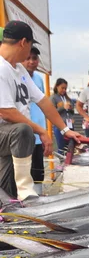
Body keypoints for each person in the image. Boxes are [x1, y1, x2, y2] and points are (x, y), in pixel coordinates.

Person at [0, 20, 81, 201]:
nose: (29, 52)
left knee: (5, 193)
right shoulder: (1, 68)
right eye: (30, 46)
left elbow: (43, 101)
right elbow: (6, 112)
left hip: (11, 138)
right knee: (24, 129)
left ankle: (13, 203)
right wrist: (40, 130)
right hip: (9, 133)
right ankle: (26, 190)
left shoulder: (19, 69)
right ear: (23, 42)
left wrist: (65, 130)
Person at [22, 46, 46, 193]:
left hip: (39, 133)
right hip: (24, 133)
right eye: (28, 58)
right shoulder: (15, 77)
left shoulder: (39, 79)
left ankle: (39, 196)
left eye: (34, 58)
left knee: (38, 169)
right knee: (23, 170)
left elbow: (43, 102)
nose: (31, 62)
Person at [50, 78, 74, 154]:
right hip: (59, 126)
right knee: (61, 146)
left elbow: (72, 112)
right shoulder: (53, 98)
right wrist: (63, 107)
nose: (64, 90)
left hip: (69, 125)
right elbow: (52, 112)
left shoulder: (67, 98)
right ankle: (62, 163)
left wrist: (70, 109)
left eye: (65, 88)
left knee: (70, 146)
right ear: (57, 87)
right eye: (62, 88)